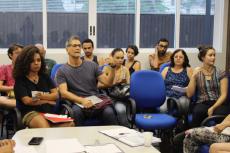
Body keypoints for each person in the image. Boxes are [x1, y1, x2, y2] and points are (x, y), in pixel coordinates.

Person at [55, 36, 118, 126]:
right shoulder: (62, 70)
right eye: (74, 45)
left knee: (109, 112)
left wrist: (112, 68)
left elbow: (108, 83)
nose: (77, 48)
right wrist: (82, 101)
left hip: (95, 101)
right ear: (67, 49)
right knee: (76, 112)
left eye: (79, 46)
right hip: (78, 103)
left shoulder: (92, 65)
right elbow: (64, 93)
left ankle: (112, 138)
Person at [13, 45, 74, 128]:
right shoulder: (21, 80)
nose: (36, 63)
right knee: (44, 126)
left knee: (70, 124)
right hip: (30, 113)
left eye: (38, 60)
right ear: (26, 62)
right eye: (32, 61)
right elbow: (27, 101)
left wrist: (41, 96)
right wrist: (47, 101)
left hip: (48, 114)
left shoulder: (44, 77)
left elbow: (56, 95)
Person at [186, 45, 229, 128]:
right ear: (203, 58)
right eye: (210, 55)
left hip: (218, 102)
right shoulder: (197, 72)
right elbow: (189, 94)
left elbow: (224, 95)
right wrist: (193, 76)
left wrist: (213, 107)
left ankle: (218, 136)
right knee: (198, 112)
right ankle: (194, 136)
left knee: (224, 113)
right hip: (202, 103)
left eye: (214, 55)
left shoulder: (221, 72)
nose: (213, 57)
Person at [98, 48, 130, 126]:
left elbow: (129, 85)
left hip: (122, 97)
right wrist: (113, 83)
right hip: (109, 98)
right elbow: (99, 85)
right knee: (113, 111)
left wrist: (125, 83)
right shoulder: (107, 69)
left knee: (121, 109)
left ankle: (126, 130)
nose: (120, 60)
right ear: (112, 58)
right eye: (117, 58)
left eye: (122, 58)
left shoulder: (125, 70)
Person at [0, 43, 23, 108]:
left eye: (22, 53)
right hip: (10, 97)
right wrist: (14, 88)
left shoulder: (27, 69)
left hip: (25, 96)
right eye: (17, 53)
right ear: (10, 55)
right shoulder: (4, 68)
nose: (20, 55)